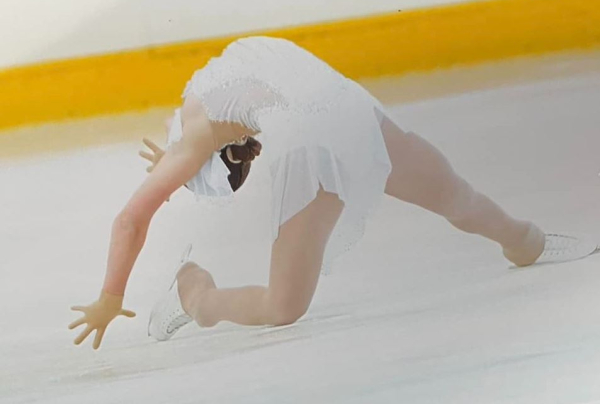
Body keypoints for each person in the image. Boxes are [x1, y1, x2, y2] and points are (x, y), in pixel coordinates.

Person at [68, 36, 598, 349]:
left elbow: (130, 219)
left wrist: (110, 298)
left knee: (454, 195)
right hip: (343, 113)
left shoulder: (201, 132)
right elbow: (166, 185)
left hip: (341, 116)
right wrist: (177, 160)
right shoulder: (214, 93)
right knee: (285, 306)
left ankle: (525, 242)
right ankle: (194, 292)